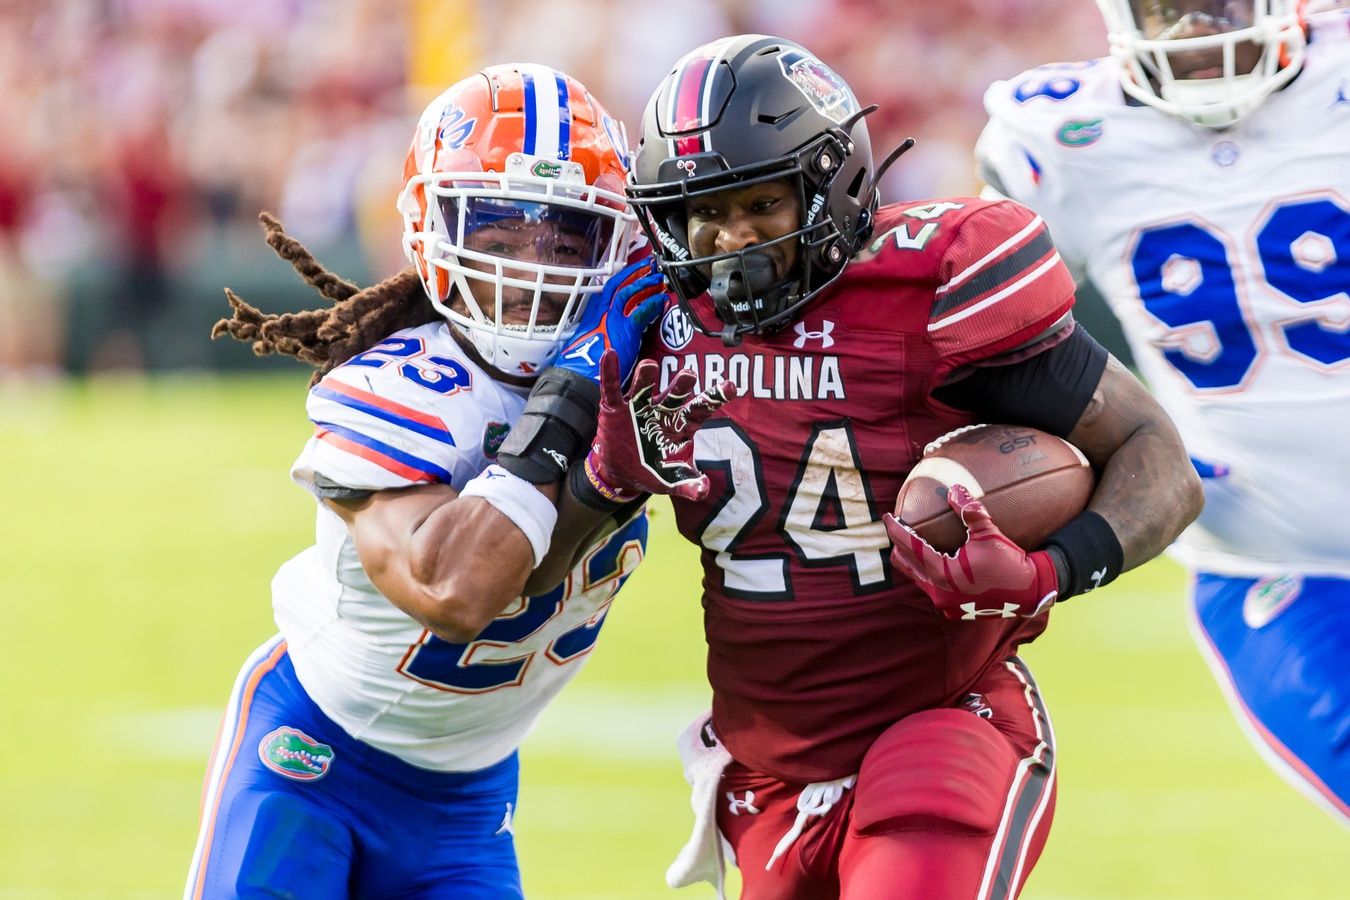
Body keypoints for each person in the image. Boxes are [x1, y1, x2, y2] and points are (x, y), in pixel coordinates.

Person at [570, 34, 1203, 899]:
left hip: (942, 725)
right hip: (767, 768)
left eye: (760, 203)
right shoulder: (652, 320)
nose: (729, 240)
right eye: (703, 212)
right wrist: (596, 484)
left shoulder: (931, 288)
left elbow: (1159, 459)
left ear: (832, 185)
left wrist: (1052, 571)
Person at [184, 63, 670, 899]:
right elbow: (452, 589)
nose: (531, 268)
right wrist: (569, 401)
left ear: (619, 244)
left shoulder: (651, 368)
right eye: (497, 232)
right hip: (311, 760)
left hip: (467, 800)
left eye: (564, 236)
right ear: (430, 230)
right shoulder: (395, 387)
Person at [976, 1, 1350, 826]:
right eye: (1166, 9)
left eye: (1218, 4)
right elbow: (974, 318)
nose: (1195, 27)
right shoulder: (1062, 138)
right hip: (1282, 566)